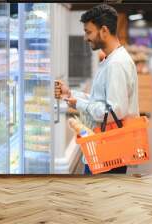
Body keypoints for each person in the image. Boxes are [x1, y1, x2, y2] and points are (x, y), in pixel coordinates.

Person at [55, 4, 139, 174]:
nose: (86, 37)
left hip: (108, 153)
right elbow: (101, 101)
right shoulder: (111, 60)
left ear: (104, 31)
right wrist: (71, 94)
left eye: (88, 32)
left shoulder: (116, 64)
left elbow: (113, 111)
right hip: (104, 150)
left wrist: (79, 104)